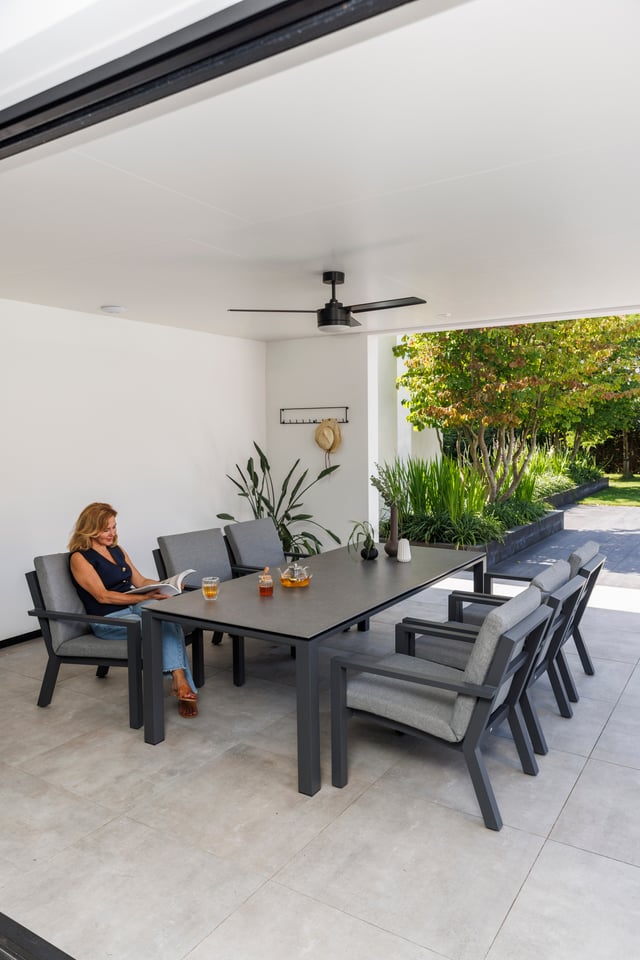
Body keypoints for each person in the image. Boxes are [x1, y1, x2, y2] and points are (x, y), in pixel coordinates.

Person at [68, 502, 199, 718]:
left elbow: (139, 581)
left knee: (164, 615)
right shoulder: (79, 558)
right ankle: (182, 682)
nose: (112, 533)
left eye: (114, 527)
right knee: (155, 624)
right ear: (90, 529)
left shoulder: (116, 550)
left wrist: (167, 583)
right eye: (106, 529)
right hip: (108, 617)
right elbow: (103, 596)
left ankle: (179, 680)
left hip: (133, 604)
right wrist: (145, 597)